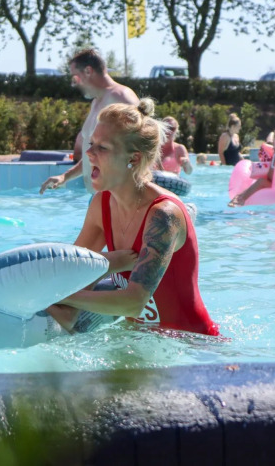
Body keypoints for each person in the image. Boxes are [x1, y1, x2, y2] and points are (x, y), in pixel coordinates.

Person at [45, 98, 220, 336]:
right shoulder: (101, 205)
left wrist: (61, 296)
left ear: (134, 159)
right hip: (140, 341)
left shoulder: (163, 215)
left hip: (191, 348)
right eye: (91, 143)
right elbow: (74, 272)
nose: (89, 153)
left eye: (102, 147)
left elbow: (134, 302)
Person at [39, 49, 139, 195]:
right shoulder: (96, 102)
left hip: (118, 200)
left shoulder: (120, 97)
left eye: (75, 77)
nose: (74, 83)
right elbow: (91, 155)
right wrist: (65, 177)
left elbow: (144, 144)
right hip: (99, 198)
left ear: (88, 71)